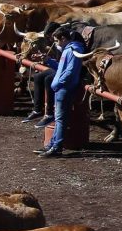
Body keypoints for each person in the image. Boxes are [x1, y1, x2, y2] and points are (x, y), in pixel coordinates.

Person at [34, 28, 85, 158]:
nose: (56, 43)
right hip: (61, 88)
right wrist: (49, 61)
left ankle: (56, 147)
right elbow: (62, 68)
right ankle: (52, 145)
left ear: (64, 39)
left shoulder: (73, 50)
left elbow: (70, 71)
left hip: (64, 88)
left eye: (57, 40)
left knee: (61, 119)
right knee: (59, 119)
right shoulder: (68, 50)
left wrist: (57, 84)